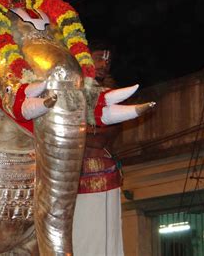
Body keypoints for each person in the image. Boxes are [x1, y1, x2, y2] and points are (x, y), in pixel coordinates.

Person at [72, 39, 124, 256]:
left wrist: (75, 132)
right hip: (68, 176)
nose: (104, 65)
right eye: (99, 58)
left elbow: (101, 139)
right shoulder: (70, 91)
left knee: (100, 243)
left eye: (108, 62)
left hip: (99, 175)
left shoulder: (111, 96)